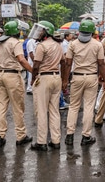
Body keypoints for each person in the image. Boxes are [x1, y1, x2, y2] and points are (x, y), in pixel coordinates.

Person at [0, 20, 34, 149]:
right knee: (18, 107)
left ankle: (0, 136)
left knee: (1, 107)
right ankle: (21, 136)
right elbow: (21, 59)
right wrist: (33, 72)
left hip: (0, 75)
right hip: (13, 75)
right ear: (17, 31)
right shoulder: (15, 43)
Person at [62, 20, 104, 146]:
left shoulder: (73, 44)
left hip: (77, 77)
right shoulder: (97, 45)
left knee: (74, 106)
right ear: (92, 31)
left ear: (79, 31)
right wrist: (104, 78)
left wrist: (65, 80)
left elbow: (68, 63)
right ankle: (86, 136)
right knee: (89, 107)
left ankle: (69, 135)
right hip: (91, 77)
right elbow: (101, 63)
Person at [29, 20, 67, 151]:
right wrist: (64, 79)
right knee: (54, 111)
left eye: (41, 31)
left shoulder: (42, 46)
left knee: (41, 111)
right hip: (56, 77)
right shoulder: (58, 46)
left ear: (46, 32)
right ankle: (56, 140)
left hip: (44, 78)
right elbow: (64, 62)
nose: (38, 33)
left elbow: (36, 65)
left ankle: (41, 142)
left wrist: (33, 78)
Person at [59, 31, 74, 110]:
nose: (71, 36)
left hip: (66, 65)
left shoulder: (69, 43)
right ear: (66, 36)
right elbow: (65, 56)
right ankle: (61, 101)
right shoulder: (64, 44)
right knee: (64, 81)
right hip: (64, 65)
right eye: (70, 35)